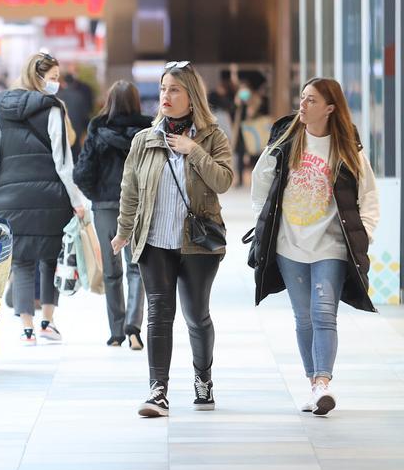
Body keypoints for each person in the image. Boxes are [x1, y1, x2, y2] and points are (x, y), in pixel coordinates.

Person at [250, 77, 379, 416]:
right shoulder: (287, 140)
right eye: (302, 98)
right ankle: (313, 386)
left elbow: (368, 194)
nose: (303, 105)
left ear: (330, 108)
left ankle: (323, 382)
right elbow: (260, 181)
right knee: (304, 318)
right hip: (289, 245)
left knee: (323, 313)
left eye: (311, 100)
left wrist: (363, 234)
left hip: (331, 246)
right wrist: (264, 225)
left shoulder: (347, 147)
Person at [111, 61, 233, 417]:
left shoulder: (212, 137)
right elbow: (130, 189)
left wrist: (194, 150)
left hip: (198, 243)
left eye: (174, 89)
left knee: (196, 315)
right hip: (155, 240)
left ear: (192, 97)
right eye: (163, 88)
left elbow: (224, 181)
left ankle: (203, 378)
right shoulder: (145, 139)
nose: (165, 95)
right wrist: (123, 231)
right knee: (159, 314)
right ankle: (158, 391)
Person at [0, 52, 86, 345]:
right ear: (38, 78)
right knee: (50, 260)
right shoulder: (53, 110)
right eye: (53, 78)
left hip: (10, 199)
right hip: (50, 198)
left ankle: (26, 329)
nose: (57, 83)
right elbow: (63, 162)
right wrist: (77, 200)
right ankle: (47, 323)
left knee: (22, 263)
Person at [73, 80, 151, 349]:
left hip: (105, 206)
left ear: (110, 101)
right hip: (138, 205)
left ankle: (116, 332)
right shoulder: (148, 130)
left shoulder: (97, 129)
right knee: (136, 266)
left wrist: (95, 194)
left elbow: (82, 172)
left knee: (111, 270)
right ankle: (133, 328)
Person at [57, 72, 94, 161]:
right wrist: (86, 130)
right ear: (74, 83)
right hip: (76, 131)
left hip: (61, 131)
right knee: (75, 157)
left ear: (64, 83)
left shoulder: (58, 96)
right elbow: (85, 115)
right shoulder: (79, 96)